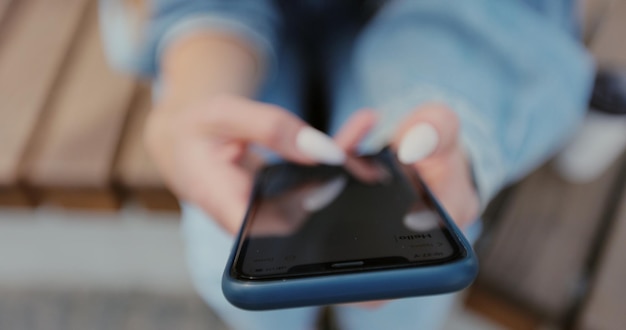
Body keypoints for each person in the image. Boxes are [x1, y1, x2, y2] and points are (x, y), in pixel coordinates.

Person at [99, 0, 593, 329]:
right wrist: (193, 104)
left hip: (446, 22)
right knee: (224, 251)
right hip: (221, 26)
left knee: (407, 276)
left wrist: (445, 107)